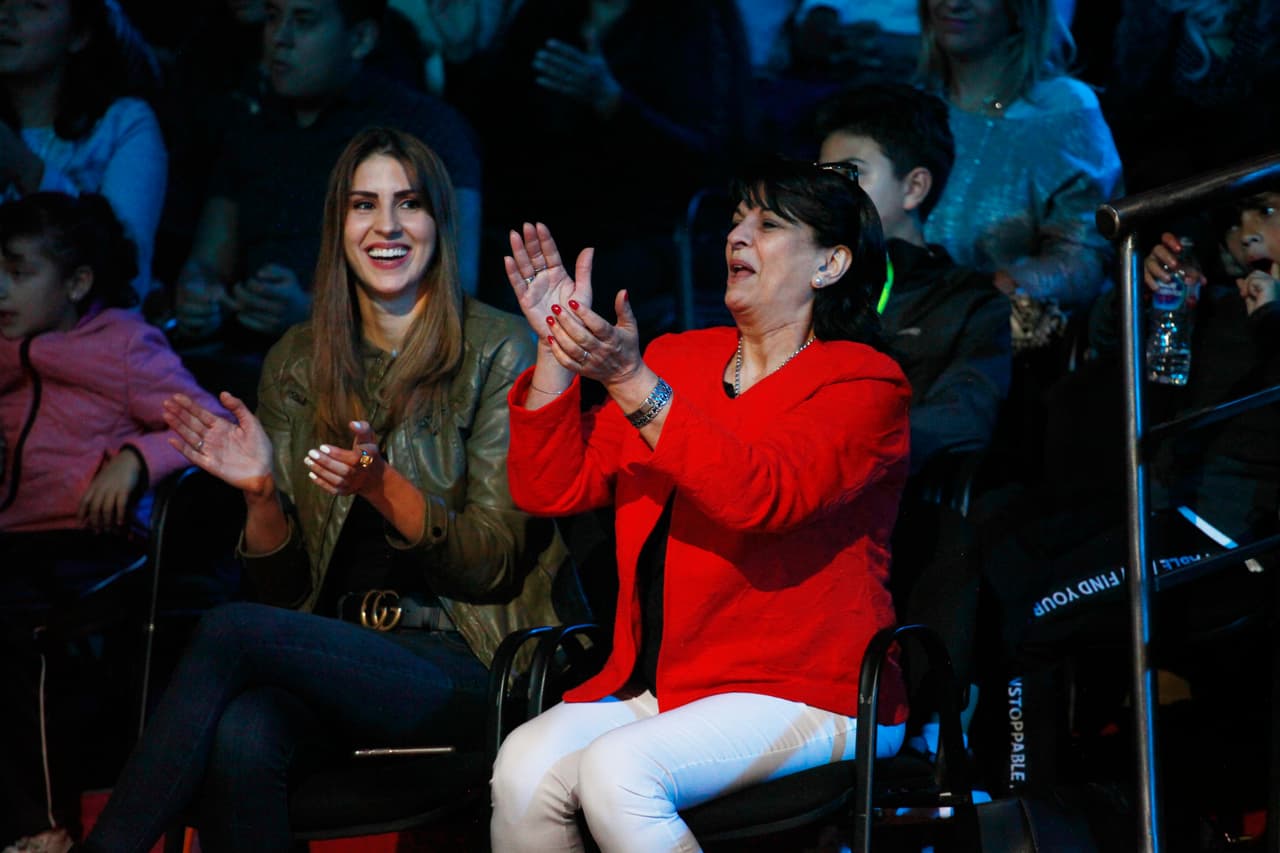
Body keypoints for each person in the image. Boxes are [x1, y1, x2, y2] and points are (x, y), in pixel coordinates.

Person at [76, 126, 579, 853]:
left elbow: (491, 563)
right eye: (362, 205)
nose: (386, 227)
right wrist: (258, 495)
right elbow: (285, 597)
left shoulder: (499, 348)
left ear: (439, 220)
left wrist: (383, 486)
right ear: (337, 226)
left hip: (469, 661)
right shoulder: (297, 360)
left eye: (408, 204)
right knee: (248, 732)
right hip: (340, 651)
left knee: (230, 629)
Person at [489, 158, 912, 852]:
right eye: (737, 219)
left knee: (619, 771)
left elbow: (758, 494)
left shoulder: (864, 383)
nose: (737, 236)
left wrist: (630, 381)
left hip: (813, 688)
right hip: (677, 684)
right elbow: (551, 485)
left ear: (831, 263)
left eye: (769, 224)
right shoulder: (680, 360)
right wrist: (557, 349)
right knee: (524, 766)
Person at [0, 192, 219, 853]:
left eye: (17, 270)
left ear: (77, 282)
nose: (0, 287)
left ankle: (39, 827)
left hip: (94, 544)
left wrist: (137, 457)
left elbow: (215, 421)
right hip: (11, 541)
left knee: (12, 618)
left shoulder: (123, 343)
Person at [170, 0, 483, 403]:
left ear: (360, 38)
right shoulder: (251, 129)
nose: (279, 38)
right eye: (272, 18)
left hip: (372, 372)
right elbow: (209, 260)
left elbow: (455, 285)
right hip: (243, 367)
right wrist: (201, 296)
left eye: (303, 21)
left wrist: (315, 312)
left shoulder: (424, 130)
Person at [816, 83, 1010, 475]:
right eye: (822, 178)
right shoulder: (807, 285)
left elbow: (962, 419)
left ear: (914, 187)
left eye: (851, 174)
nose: (830, 195)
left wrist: (843, 458)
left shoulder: (968, 302)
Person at [917, 0, 1123, 351]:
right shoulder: (915, 102)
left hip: (1004, 352)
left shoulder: (1062, 108)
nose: (953, 3)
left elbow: (1088, 254)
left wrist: (996, 291)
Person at [0, 0, 167, 303]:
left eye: (33, 6)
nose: (6, 15)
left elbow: (127, 277)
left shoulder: (123, 125)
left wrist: (26, 170)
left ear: (79, 34)